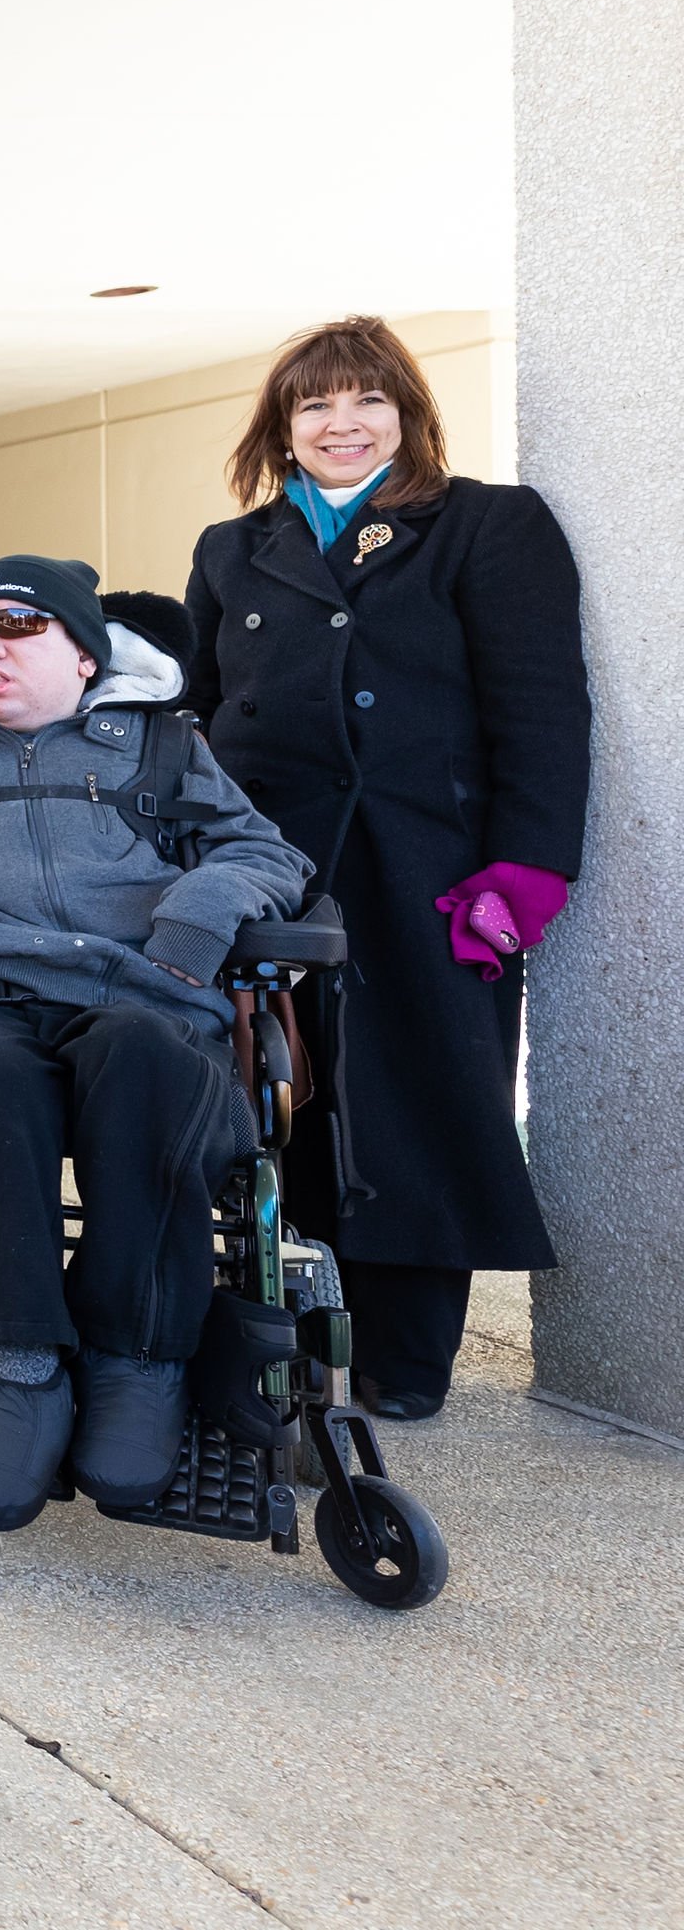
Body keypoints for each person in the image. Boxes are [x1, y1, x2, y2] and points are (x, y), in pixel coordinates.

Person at [0, 558, 309, 1531]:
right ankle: (22, 1367)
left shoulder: (163, 749)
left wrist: (197, 920)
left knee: (145, 1062)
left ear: (83, 654)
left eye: (16, 628)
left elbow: (266, 854)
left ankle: (138, 1363)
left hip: (144, 994)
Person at [185, 316, 591, 1420]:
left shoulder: (486, 528)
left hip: (427, 874)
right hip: (269, 874)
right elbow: (203, 713)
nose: (341, 422)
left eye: (367, 399)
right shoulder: (234, 550)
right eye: (314, 404)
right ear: (283, 428)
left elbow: (542, 711)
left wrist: (526, 872)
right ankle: (291, 1342)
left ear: (408, 412)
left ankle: (403, 1364)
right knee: (277, 1101)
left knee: (420, 1104)